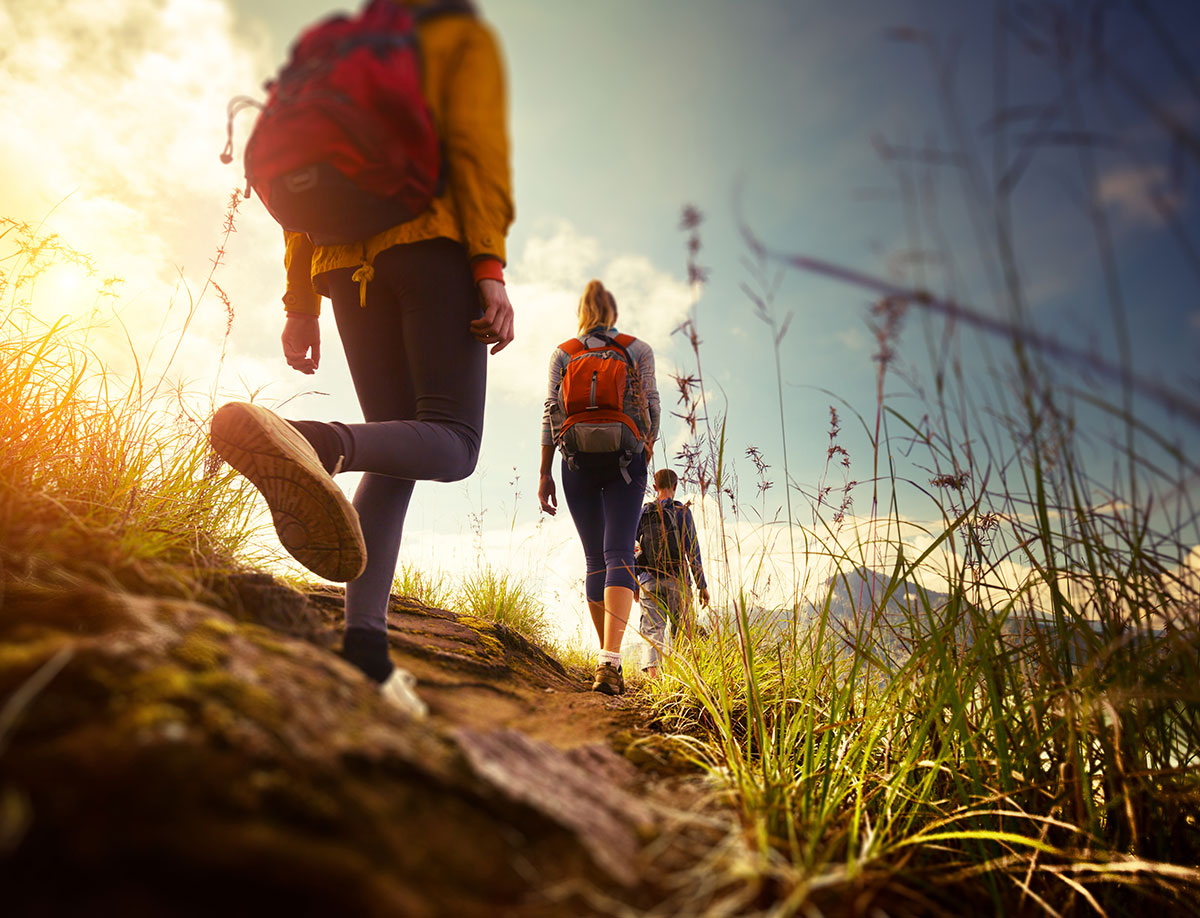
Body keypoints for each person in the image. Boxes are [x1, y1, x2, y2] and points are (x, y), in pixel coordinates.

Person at [209, 0, 514, 718]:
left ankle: (366, 655)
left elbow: (306, 201)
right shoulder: (455, 34)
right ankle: (317, 444)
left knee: (399, 450)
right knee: (454, 441)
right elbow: (476, 149)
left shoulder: (336, 43)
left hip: (345, 269)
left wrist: (301, 304)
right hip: (430, 250)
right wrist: (490, 268)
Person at [537, 280, 659, 696]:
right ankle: (611, 658)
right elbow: (652, 407)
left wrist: (545, 472)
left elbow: (550, 414)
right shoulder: (636, 349)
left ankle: (606, 659)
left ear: (581, 312)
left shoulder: (564, 353)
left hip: (575, 462)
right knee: (620, 552)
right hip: (627, 460)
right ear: (614, 312)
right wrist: (644, 452)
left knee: (595, 560)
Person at [635, 468, 710, 679]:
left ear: (655, 486)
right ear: (675, 487)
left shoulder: (642, 512)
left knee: (652, 630)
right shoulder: (682, 511)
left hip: (648, 581)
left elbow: (634, 547)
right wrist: (701, 585)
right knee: (682, 629)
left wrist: (634, 584)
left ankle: (654, 679)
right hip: (678, 580)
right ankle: (682, 679)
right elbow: (692, 549)